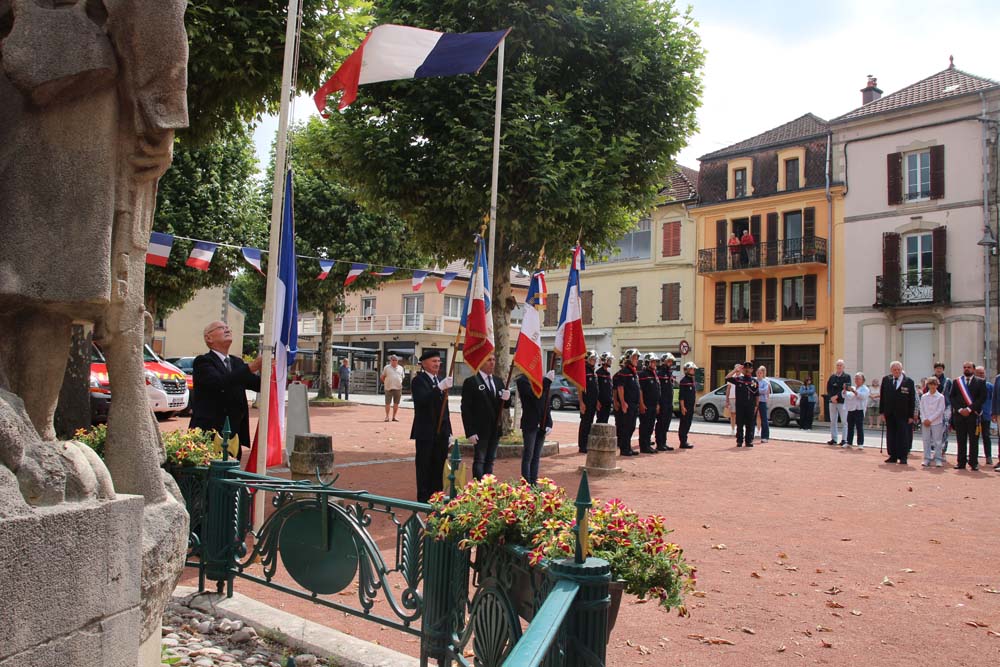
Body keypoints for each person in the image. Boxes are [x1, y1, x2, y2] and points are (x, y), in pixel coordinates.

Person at [189, 321, 263, 460]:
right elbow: (220, 382)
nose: (227, 329)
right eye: (221, 328)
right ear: (209, 338)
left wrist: (269, 372)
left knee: (232, 469)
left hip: (233, 433)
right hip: (210, 432)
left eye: (228, 327)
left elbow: (258, 385)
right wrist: (251, 367)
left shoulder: (237, 363)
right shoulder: (203, 362)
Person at [410, 350, 453, 502]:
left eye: (438, 361)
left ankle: (437, 496)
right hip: (426, 431)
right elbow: (423, 401)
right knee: (424, 466)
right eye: (434, 361)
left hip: (441, 432)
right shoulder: (418, 381)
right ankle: (423, 498)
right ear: (424, 363)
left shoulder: (440, 380)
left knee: (438, 465)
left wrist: (449, 432)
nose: (437, 364)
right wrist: (438, 389)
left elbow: (445, 409)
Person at [460, 353, 510, 480]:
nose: (492, 363)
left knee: (490, 460)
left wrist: (507, 398)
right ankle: (478, 487)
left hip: (495, 428)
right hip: (479, 429)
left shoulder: (498, 381)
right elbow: (466, 409)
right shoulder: (471, 382)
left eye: (493, 360)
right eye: (488, 360)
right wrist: (470, 431)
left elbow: (504, 406)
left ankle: (488, 486)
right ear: (481, 362)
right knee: (480, 460)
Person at [517, 370, 554, 485]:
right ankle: (526, 484)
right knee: (529, 455)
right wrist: (546, 382)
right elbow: (534, 396)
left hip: (542, 423)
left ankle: (534, 483)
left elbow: (546, 402)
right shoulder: (522, 380)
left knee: (536, 456)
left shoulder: (540, 380)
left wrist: (549, 422)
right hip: (530, 423)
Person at [949, 361, 986, 471]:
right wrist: (960, 409)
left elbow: (982, 398)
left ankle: (973, 463)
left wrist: (969, 409)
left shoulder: (980, 382)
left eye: (969, 367)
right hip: (960, 415)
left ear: (973, 369)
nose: (966, 369)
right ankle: (961, 462)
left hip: (973, 415)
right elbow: (952, 397)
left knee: (974, 440)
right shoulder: (957, 381)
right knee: (961, 440)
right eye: (965, 367)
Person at [879, 361, 915, 465]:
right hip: (889, 413)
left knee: (903, 435)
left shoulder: (909, 382)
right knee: (891, 435)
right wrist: (882, 412)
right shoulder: (886, 380)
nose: (897, 371)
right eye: (894, 370)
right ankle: (892, 456)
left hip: (903, 414)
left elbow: (911, 399)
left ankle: (903, 456)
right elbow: (882, 397)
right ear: (891, 370)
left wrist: (911, 415)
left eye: (899, 369)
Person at [613, 349, 641, 456]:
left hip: (634, 404)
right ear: (629, 359)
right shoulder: (624, 372)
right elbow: (620, 388)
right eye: (634, 358)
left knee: (632, 426)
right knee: (626, 427)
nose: (636, 360)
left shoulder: (633, 372)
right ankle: (624, 449)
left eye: (637, 358)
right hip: (628, 404)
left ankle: (628, 447)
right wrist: (623, 402)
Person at [727, 362, 759, 447]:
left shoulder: (754, 381)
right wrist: (735, 370)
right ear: (743, 369)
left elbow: (757, 395)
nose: (747, 370)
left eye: (749, 368)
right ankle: (739, 441)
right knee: (740, 424)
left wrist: (756, 406)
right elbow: (727, 377)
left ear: (752, 370)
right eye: (745, 368)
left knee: (750, 424)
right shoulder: (738, 379)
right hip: (740, 405)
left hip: (750, 405)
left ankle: (749, 441)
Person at [636, 353, 661, 454]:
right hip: (646, 404)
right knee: (645, 426)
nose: (654, 364)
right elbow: (640, 390)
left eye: (655, 362)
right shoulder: (643, 374)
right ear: (647, 363)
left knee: (651, 425)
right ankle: (644, 446)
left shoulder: (654, 374)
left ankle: (648, 445)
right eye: (652, 362)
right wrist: (641, 404)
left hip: (653, 404)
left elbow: (657, 390)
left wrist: (657, 404)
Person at [919, 377, 946, 467]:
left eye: (934, 384)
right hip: (925, 422)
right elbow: (921, 408)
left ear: (937, 385)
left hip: (936, 422)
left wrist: (930, 419)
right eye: (931, 384)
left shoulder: (940, 397)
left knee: (937, 441)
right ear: (928, 385)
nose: (932, 386)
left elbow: (940, 410)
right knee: (926, 440)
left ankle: (938, 459)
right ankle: (926, 458)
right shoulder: (924, 397)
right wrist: (924, 419)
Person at [578, 351, 599, 454]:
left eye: (595, 359)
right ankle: (582, 446)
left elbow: (595, 388)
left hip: (593, 402)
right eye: (592, 359)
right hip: (586, 402)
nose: (594, 361)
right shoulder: (584, 371)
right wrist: (581, 402)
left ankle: (587, 444)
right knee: (585, 424)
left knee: (590, 423)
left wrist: (597, 401)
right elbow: (579, 387)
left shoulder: (593, 371)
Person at [655, 353, 676, 451]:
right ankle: (659, 443)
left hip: (668, 402)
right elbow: (658, 390)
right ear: (664, 361)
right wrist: (658, 403)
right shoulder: (660, 373)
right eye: (668, 361)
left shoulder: (669, 373)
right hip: (662, 402)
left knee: (666, 423)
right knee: (661, 423)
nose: (670, 363)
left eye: (671, 361)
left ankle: (664, 442)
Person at [827, 360, 851, 446]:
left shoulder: (847, 377)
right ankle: (834, 439)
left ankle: (844, 439)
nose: (839, 367)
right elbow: (828, 388)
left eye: (840, 365)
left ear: (843, 367)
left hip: (842, 402)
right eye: (837, 365)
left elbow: (846, 389)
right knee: (833, 421)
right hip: (832, 402)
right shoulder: (832, 377)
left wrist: (837, 396)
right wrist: (831, 397)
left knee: (844, 422)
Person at [932, 362, 953, 458]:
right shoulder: (930, 380)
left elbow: (951, 394)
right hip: (933, 407)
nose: (938, 370)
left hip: (945, 407)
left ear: (943, 369)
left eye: (940, 368)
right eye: (937, 368)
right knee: (933, 429)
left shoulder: (948, 381)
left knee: (944, 429)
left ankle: (942, 451)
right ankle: (934, 450)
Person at [843, 372, 870, 447]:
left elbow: (862, 396)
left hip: (859, 409)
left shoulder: (865, 389)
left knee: (859, 427)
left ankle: (860, 443)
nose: (857, 380)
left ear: (863, 380)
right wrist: (845, 391)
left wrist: (854, 391)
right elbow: (847, 396)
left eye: (859, 379)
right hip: (851, 409)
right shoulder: (853, 387)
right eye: (856, 378)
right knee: (850, 426)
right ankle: (849, 442)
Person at [677, 362, 697, 449]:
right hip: (685, 406)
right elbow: (681, 396)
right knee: (684, 424)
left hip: (690, 406)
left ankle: (685, 440)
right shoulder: (684, 381)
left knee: (688, 423)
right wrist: (682, 407)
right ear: (687, 370)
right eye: (692, 369)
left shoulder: (691, 380)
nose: (693, 370)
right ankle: (682, 441)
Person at [975, 366, 993, 465]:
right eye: (979, 373)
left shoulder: (989, 386)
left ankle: (988, 457)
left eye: (982, 373)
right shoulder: (972, 386)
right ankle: (974, 457)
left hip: (986, 415)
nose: (981, 375)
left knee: (986, 436)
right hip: (974, 415)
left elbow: (992, 399)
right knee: (974, 437)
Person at [381, 355, 405, 422]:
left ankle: (394, 417)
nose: (394, 361)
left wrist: (399, 382)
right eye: (393, 360)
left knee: (396, 403)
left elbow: (402, 377)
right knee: (387, 403)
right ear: (390, 361)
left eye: (395, 360)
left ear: (397, 361)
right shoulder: (387, 367)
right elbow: (382, 377)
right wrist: (386, 382)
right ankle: (387, 417)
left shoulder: (401, 368)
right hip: (388, 388)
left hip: (398, 388)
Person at [596, 352, 614, 424]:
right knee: (600, 420)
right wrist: (597, 401)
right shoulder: (598, 373)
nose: (611, 362)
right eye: (609, 360)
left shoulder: (608, 373)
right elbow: (596, 388)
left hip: (608, 401)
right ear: (605, 361)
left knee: (605, 420)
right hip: (601, 402)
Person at [756, 366, 770, 443]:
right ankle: (750, 436)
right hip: (754, 402)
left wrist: (756, 390)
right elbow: (751, 390)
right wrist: (756, 390)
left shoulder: (765, 382)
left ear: (763, 374)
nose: (759, 374)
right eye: (758, 373)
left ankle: (765, 436)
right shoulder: (754, 381)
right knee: (752, 418)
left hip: (762, 401)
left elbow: (764, 391)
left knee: (764, 419)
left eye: (760, 373)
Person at [726, 363, 740, 436]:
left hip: (740, 398)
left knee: (739, 415)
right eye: (736, 368)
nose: (737, 370)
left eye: (738, 368)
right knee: (732, 414)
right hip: (732, 398)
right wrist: (727, 400)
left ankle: (739, 429)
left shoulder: (742, 377)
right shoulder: (732, 377)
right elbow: (728, 389)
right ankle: (732, 429)